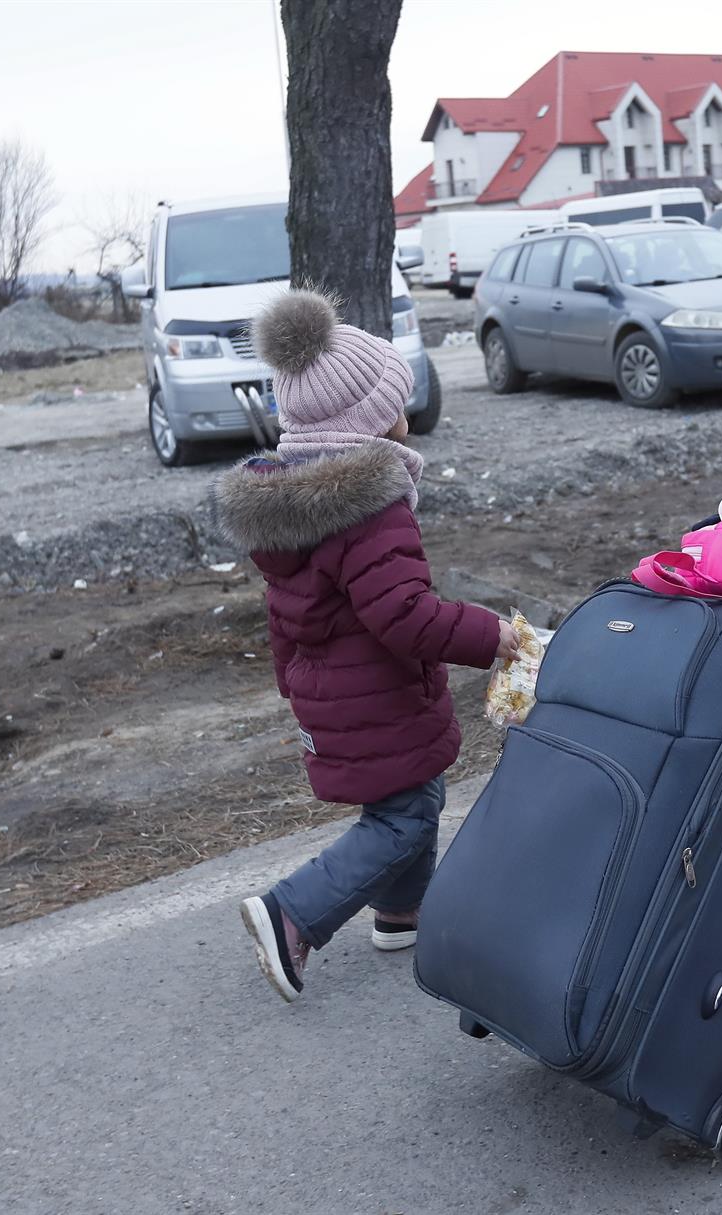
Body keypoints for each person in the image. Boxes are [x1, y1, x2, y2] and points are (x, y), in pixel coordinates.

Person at [215, 290, 517, 1002]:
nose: (406, 415)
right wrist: (494, 637)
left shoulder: (293, 508)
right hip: (376, 691)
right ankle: (292, 913)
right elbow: (407, 615)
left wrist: (294, 688)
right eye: (396, 403)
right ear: (374, 425)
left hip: (335, 692)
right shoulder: (369, 510)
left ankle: (403, 910)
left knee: (411, 795)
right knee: (404, 813)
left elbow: (281, 613)